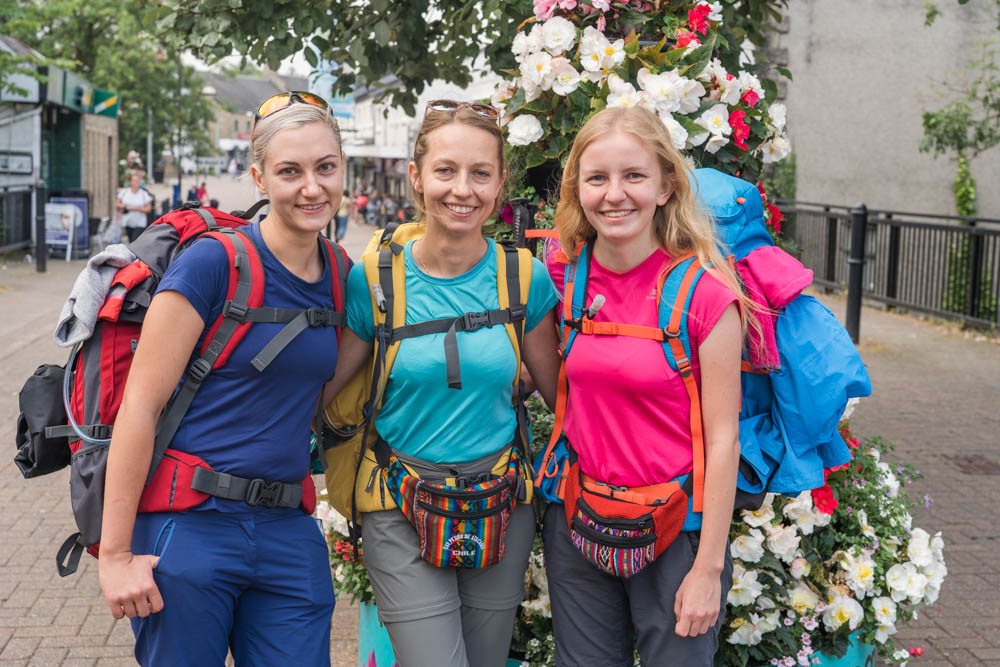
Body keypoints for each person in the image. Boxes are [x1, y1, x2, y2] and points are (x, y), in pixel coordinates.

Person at [97, 92, 347, 665]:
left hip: (288, 531)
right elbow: (140, 406)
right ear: (259, 177)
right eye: (290, 171)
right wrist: (114, 556)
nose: (312, 187)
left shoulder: (340, 274)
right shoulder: (213, 264)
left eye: (325, 167)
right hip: (189, 530)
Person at [323, 99, 562, 667]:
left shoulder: (521, 276)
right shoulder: (376, 279)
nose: (463, 189)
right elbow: (325, 389)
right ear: (416, 176)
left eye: (481, 173)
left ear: (500, 183)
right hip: (397, 501)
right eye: (446, 170)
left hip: (500, 502)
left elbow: (564, 398)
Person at [540, 106, 751, 666]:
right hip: (579, 521)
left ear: (665, 186)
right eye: (597, 178)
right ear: (578, 189)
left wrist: (708, 568)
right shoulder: (564, 279)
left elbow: (724, 439)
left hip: (677, 532)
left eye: (633, 176)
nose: (615, 194)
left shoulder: (706, 297)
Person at [117, 172, 154, 243]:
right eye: (135, 181)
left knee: (135, 241)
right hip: (127, 222)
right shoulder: (124, 192)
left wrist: (136, 208)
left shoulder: (144, 194)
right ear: (131, 182)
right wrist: (126, 206)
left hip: (140, 223)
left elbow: (148, 209)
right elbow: (117, 204)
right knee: (131, 241)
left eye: (138, 181)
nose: (137, 182)